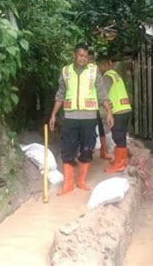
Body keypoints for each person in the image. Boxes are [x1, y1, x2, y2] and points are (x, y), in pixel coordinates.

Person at [49, 44, 114, 195]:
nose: (83, 58)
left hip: (89, 117)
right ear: (74, 55)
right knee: (67, 149)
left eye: (85, 56)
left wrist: (109, 112)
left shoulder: (94, 71)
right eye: (80, 55)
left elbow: (102, 93)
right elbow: (60, 94)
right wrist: (53, 114)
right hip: (70, 116)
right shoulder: (66, 71)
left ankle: (81, 181)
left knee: (87, 148)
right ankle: (68, 184)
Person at [97, 58, 132, 173]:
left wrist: (96, 104)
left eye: (100, 66)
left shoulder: (107, 76)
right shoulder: (116, 75)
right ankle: (121, 160)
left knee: (117, 137)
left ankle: (119, 164)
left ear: (103, 66)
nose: (100, 69)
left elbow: (103, 95)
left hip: (118, 111)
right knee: (121, 137)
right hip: (125, 108)